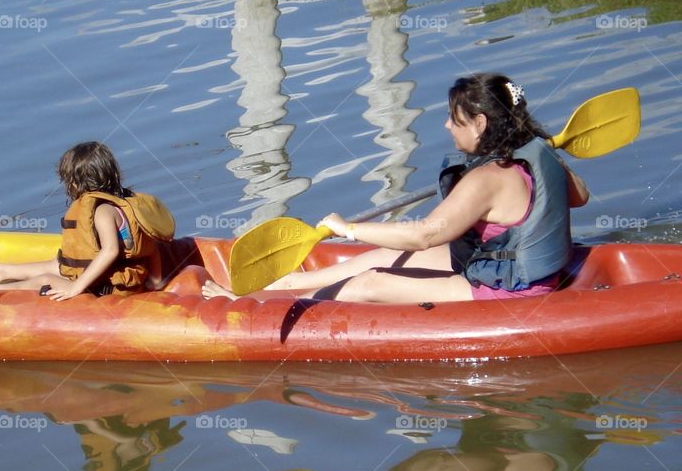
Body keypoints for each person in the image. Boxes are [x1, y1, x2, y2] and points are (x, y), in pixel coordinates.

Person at [202, 73, 590, 303]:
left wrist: (347, 229)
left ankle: (255, 312)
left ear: (481, 124)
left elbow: (423, 235)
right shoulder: (537, 156)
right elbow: (579, 196)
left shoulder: (486, 179)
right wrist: (543, 149)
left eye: (455, 119)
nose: (446, 126)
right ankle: (281, 285)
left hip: (514, 288)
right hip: (511, 264)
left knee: (367, 284)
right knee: (382, 257)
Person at [0, 141, 175, 301]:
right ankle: (2, 272)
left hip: (114, 289)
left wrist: (76, 287)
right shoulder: (126, 204)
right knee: (58, 265)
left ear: (75, 183)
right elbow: (151, 245)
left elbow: (110, 251)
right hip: (129, 280)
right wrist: (156, 281)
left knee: (45, 279)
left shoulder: (101, 211)